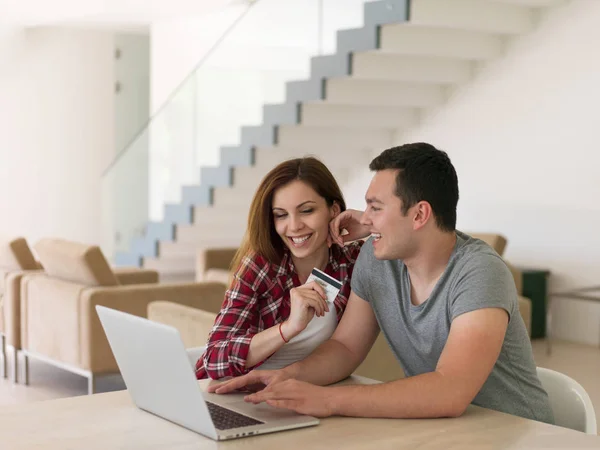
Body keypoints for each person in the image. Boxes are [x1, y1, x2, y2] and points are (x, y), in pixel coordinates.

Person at [208, 143, 555, 425]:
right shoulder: (376, 262)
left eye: (374, 207)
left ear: (419, 215)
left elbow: (450, 390)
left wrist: (328, 399)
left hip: (517, 433)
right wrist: (287, 378)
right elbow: (344, 348)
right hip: (448, 430)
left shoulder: (479, 272)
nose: (363, 218)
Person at [195, 157, 363, 380]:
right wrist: (289, 327)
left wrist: (369, 224)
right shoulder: (262, 265)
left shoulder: (350, 262)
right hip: (232, 390)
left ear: (333, 210)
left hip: (298, 392)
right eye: (281, 215)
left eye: (306, 211)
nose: (294, 226)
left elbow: (407, 245)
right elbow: (214, 358)